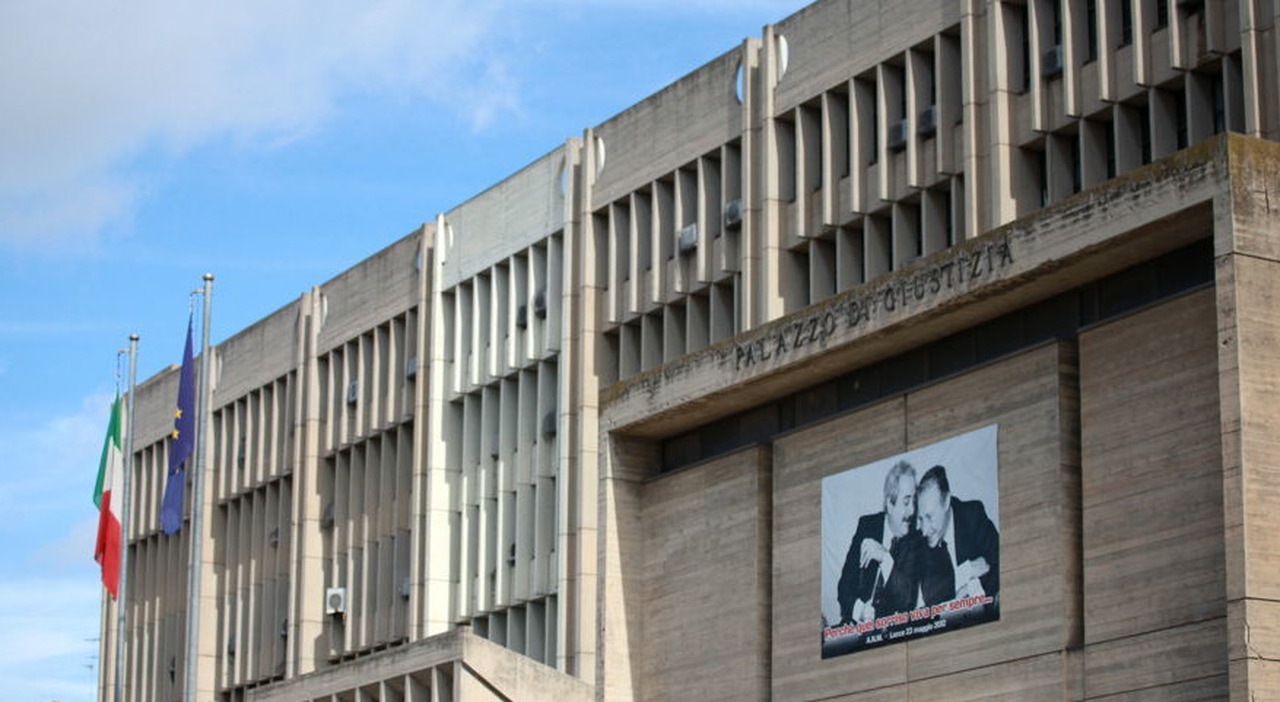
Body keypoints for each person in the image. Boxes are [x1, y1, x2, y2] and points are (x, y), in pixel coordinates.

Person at [836, 460, 920, 625]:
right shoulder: (867, 526)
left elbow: (908, 600)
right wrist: (861, 612)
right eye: (906, 502)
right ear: (890, 503)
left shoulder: (917, 538)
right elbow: (844, 587)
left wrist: (886, 558)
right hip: (856, 626)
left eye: (914, 502)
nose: (912, 510)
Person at [915, 464, 999, 602]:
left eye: (930, 517)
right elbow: (930, 594)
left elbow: (998, 562)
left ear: (946, 502)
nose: (924, 530)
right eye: (920, 518)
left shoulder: (972, 516)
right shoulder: (919, 540)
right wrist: (966, 571)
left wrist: (972, 590)